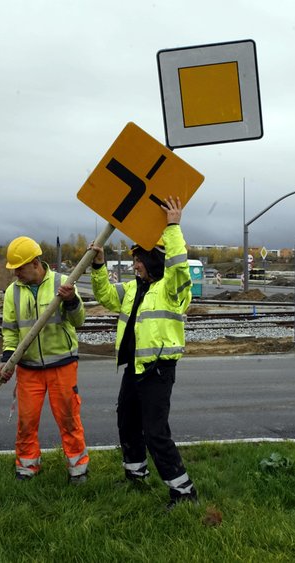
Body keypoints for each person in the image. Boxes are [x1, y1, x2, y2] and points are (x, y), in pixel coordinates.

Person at [88, 196, 199, 510]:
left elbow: (178, 265)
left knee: (155, 432)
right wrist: (99, 267)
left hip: (158, 370)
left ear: (155, 260)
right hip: (134, 368)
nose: (135, 263)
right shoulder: (134, 288)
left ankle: (184, 492)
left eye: (139, 258)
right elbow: (107, 296)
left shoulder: (173, 289)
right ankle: (135, 474)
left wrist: (173, 227)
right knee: (127, 421)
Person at [0, 236, 89, 483]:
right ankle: (27, 468)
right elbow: (10, 330)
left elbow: (79, 320)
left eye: (19, 268)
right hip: (28, 369)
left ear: (35, 263)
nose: (16, 274)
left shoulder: (63, 283)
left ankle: (78, 470)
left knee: (69, 420)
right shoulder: (12, 292)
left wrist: (71, 301)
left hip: (62, 365)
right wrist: (8, 358)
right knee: (26, 422)